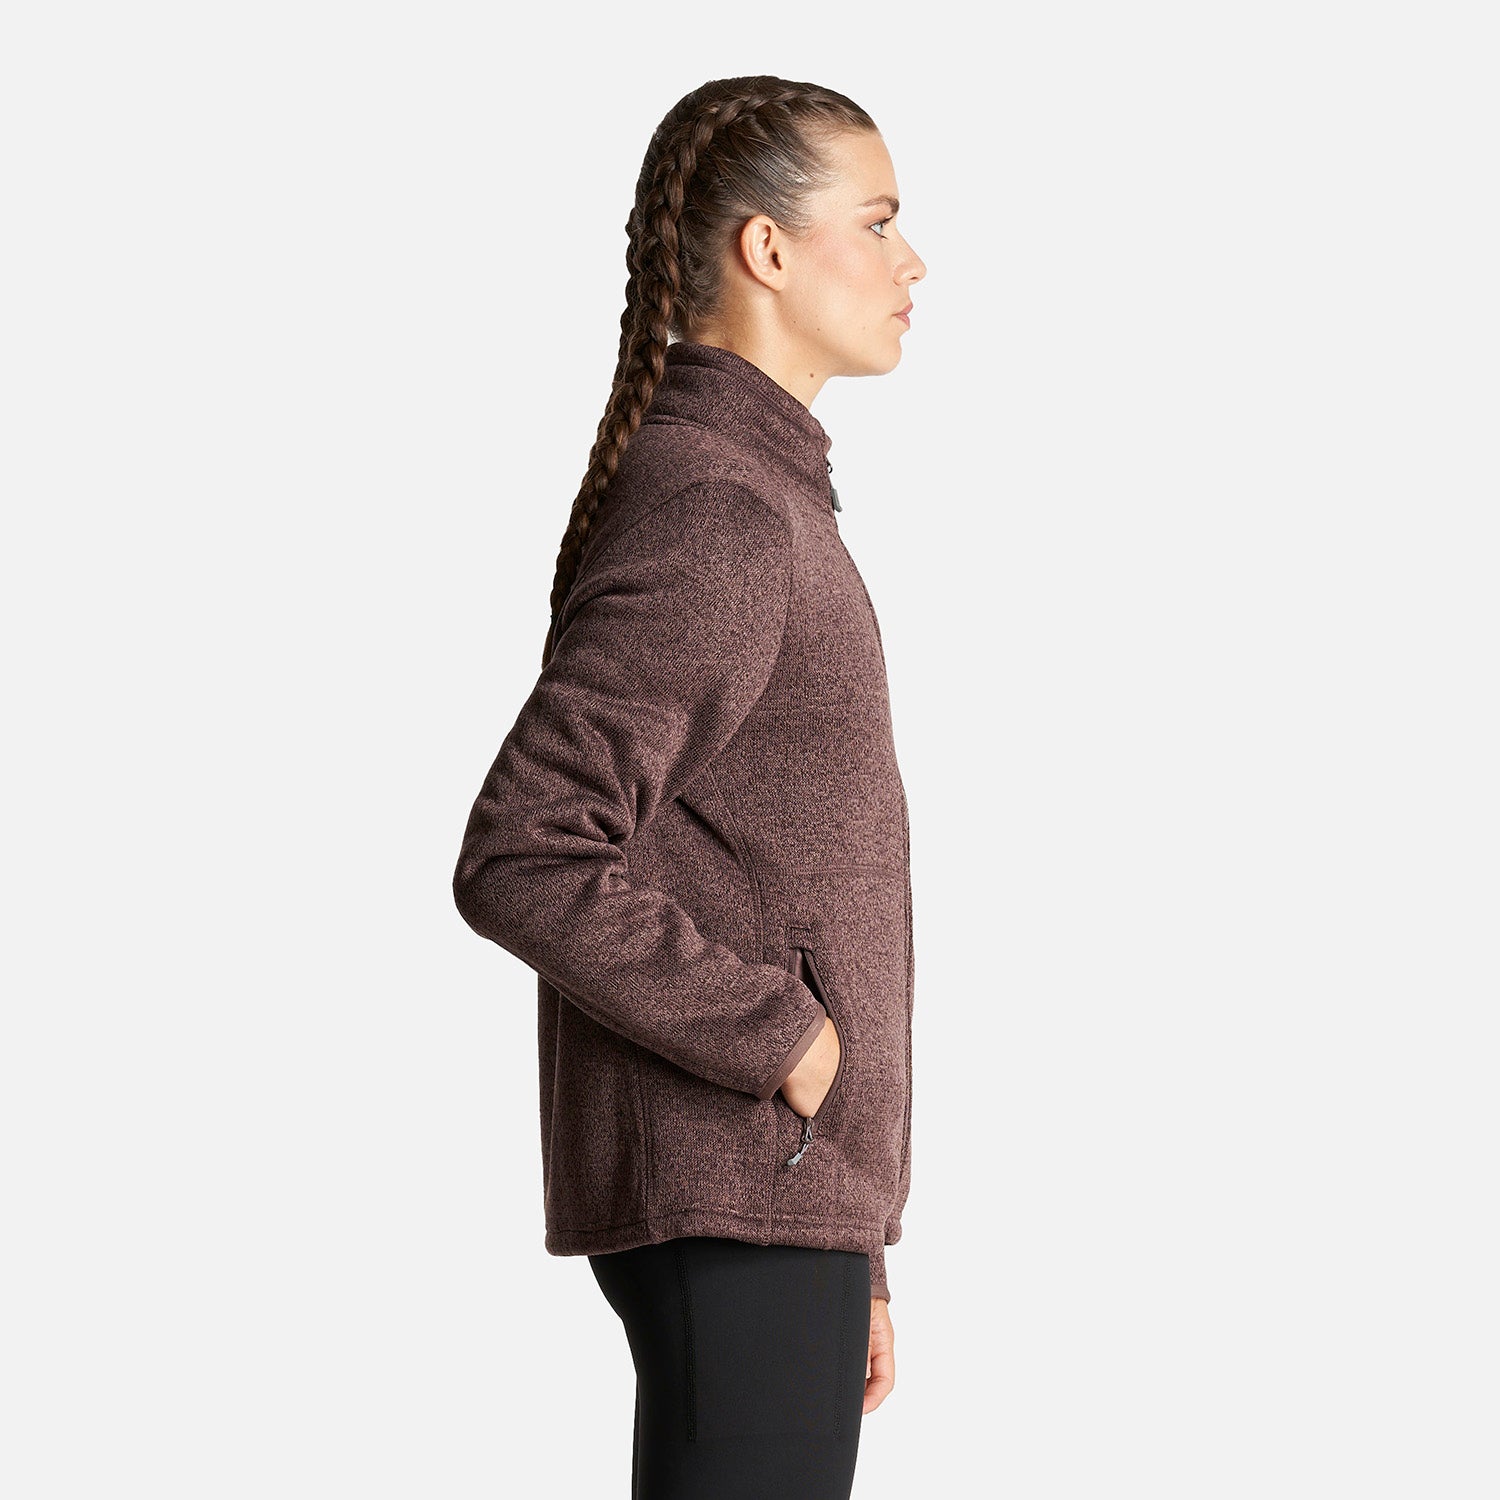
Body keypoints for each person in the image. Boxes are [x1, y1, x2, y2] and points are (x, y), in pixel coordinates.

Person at [452, 74, 926, 1498]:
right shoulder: (722, 508)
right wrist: (781, 1037)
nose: (913, 262)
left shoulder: (759, 498)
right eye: (879, 222)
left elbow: (767, 861)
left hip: (777, 1198)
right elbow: (527, 850)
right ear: (768, 249)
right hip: (736, 1180)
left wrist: (855, 1242)